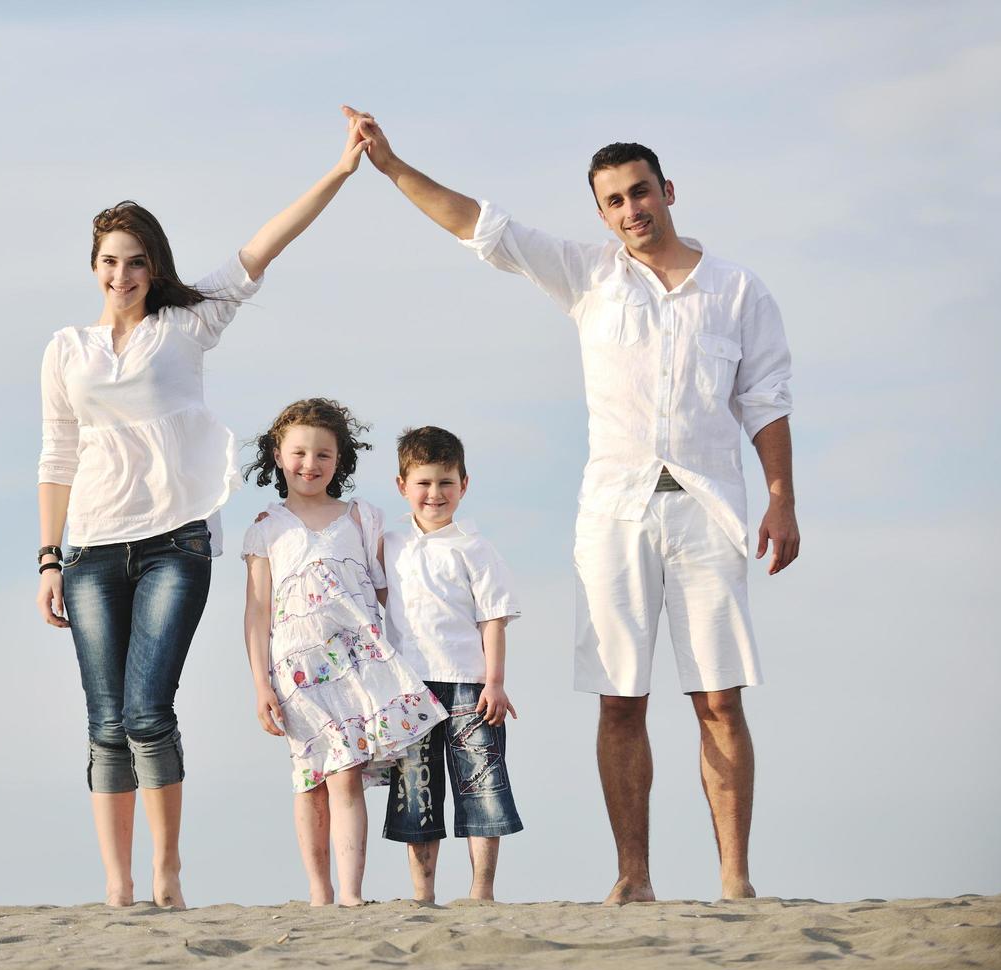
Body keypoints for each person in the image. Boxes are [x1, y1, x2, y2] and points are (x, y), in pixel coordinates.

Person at [342, 105, 799, 904]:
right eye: (616, 201)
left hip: (709, 510)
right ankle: (635, 876)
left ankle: (736, 879)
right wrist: (391, 165)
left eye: (642, 192)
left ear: (668, 190)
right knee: (621, 700)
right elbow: (485, 228)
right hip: (615, 514)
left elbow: (765, 399)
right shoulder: (589, 274)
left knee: (719, 699)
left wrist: (782, 498)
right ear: (602, 213)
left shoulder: (736, 290)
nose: (633, 209)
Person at [35, 118, 370, 909]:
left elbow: (264, 246)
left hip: (174, 545)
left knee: (149, 710)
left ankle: (166, 869)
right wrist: (48, 559)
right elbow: (56, 458)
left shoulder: (187, 323)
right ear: (94, 268)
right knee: (106, 719)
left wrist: (342, 170)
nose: (122, 274)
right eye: (110, 262)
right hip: (89, 551)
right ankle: (118, 884)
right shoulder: (65, 351)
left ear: (155, 268)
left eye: (136, 261)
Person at [241, 398, 448, 907]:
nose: (310, 464)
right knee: (310, 779)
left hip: (358, 667)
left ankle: (352, 893)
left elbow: (388, 593)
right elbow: (256, 612)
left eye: (323, 455)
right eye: (299, 453)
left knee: (346, 773)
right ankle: (319, 891)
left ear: (340, 460)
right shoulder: (267, 526)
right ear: (276, 454)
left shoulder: (362, 518)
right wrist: (261, 684)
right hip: (296, 673)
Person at [380, 426, 523, 904]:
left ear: (464, 484)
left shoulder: (476, 549)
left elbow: (493, 620)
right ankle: (423, 895)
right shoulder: (390, 544)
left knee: (481, 785)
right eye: (423, 483)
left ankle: (481, 891)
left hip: (470, 686)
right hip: (409, 688)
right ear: (402, 485)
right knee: (416, 793)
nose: (434, 494)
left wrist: (496, 682)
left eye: (446, 482)